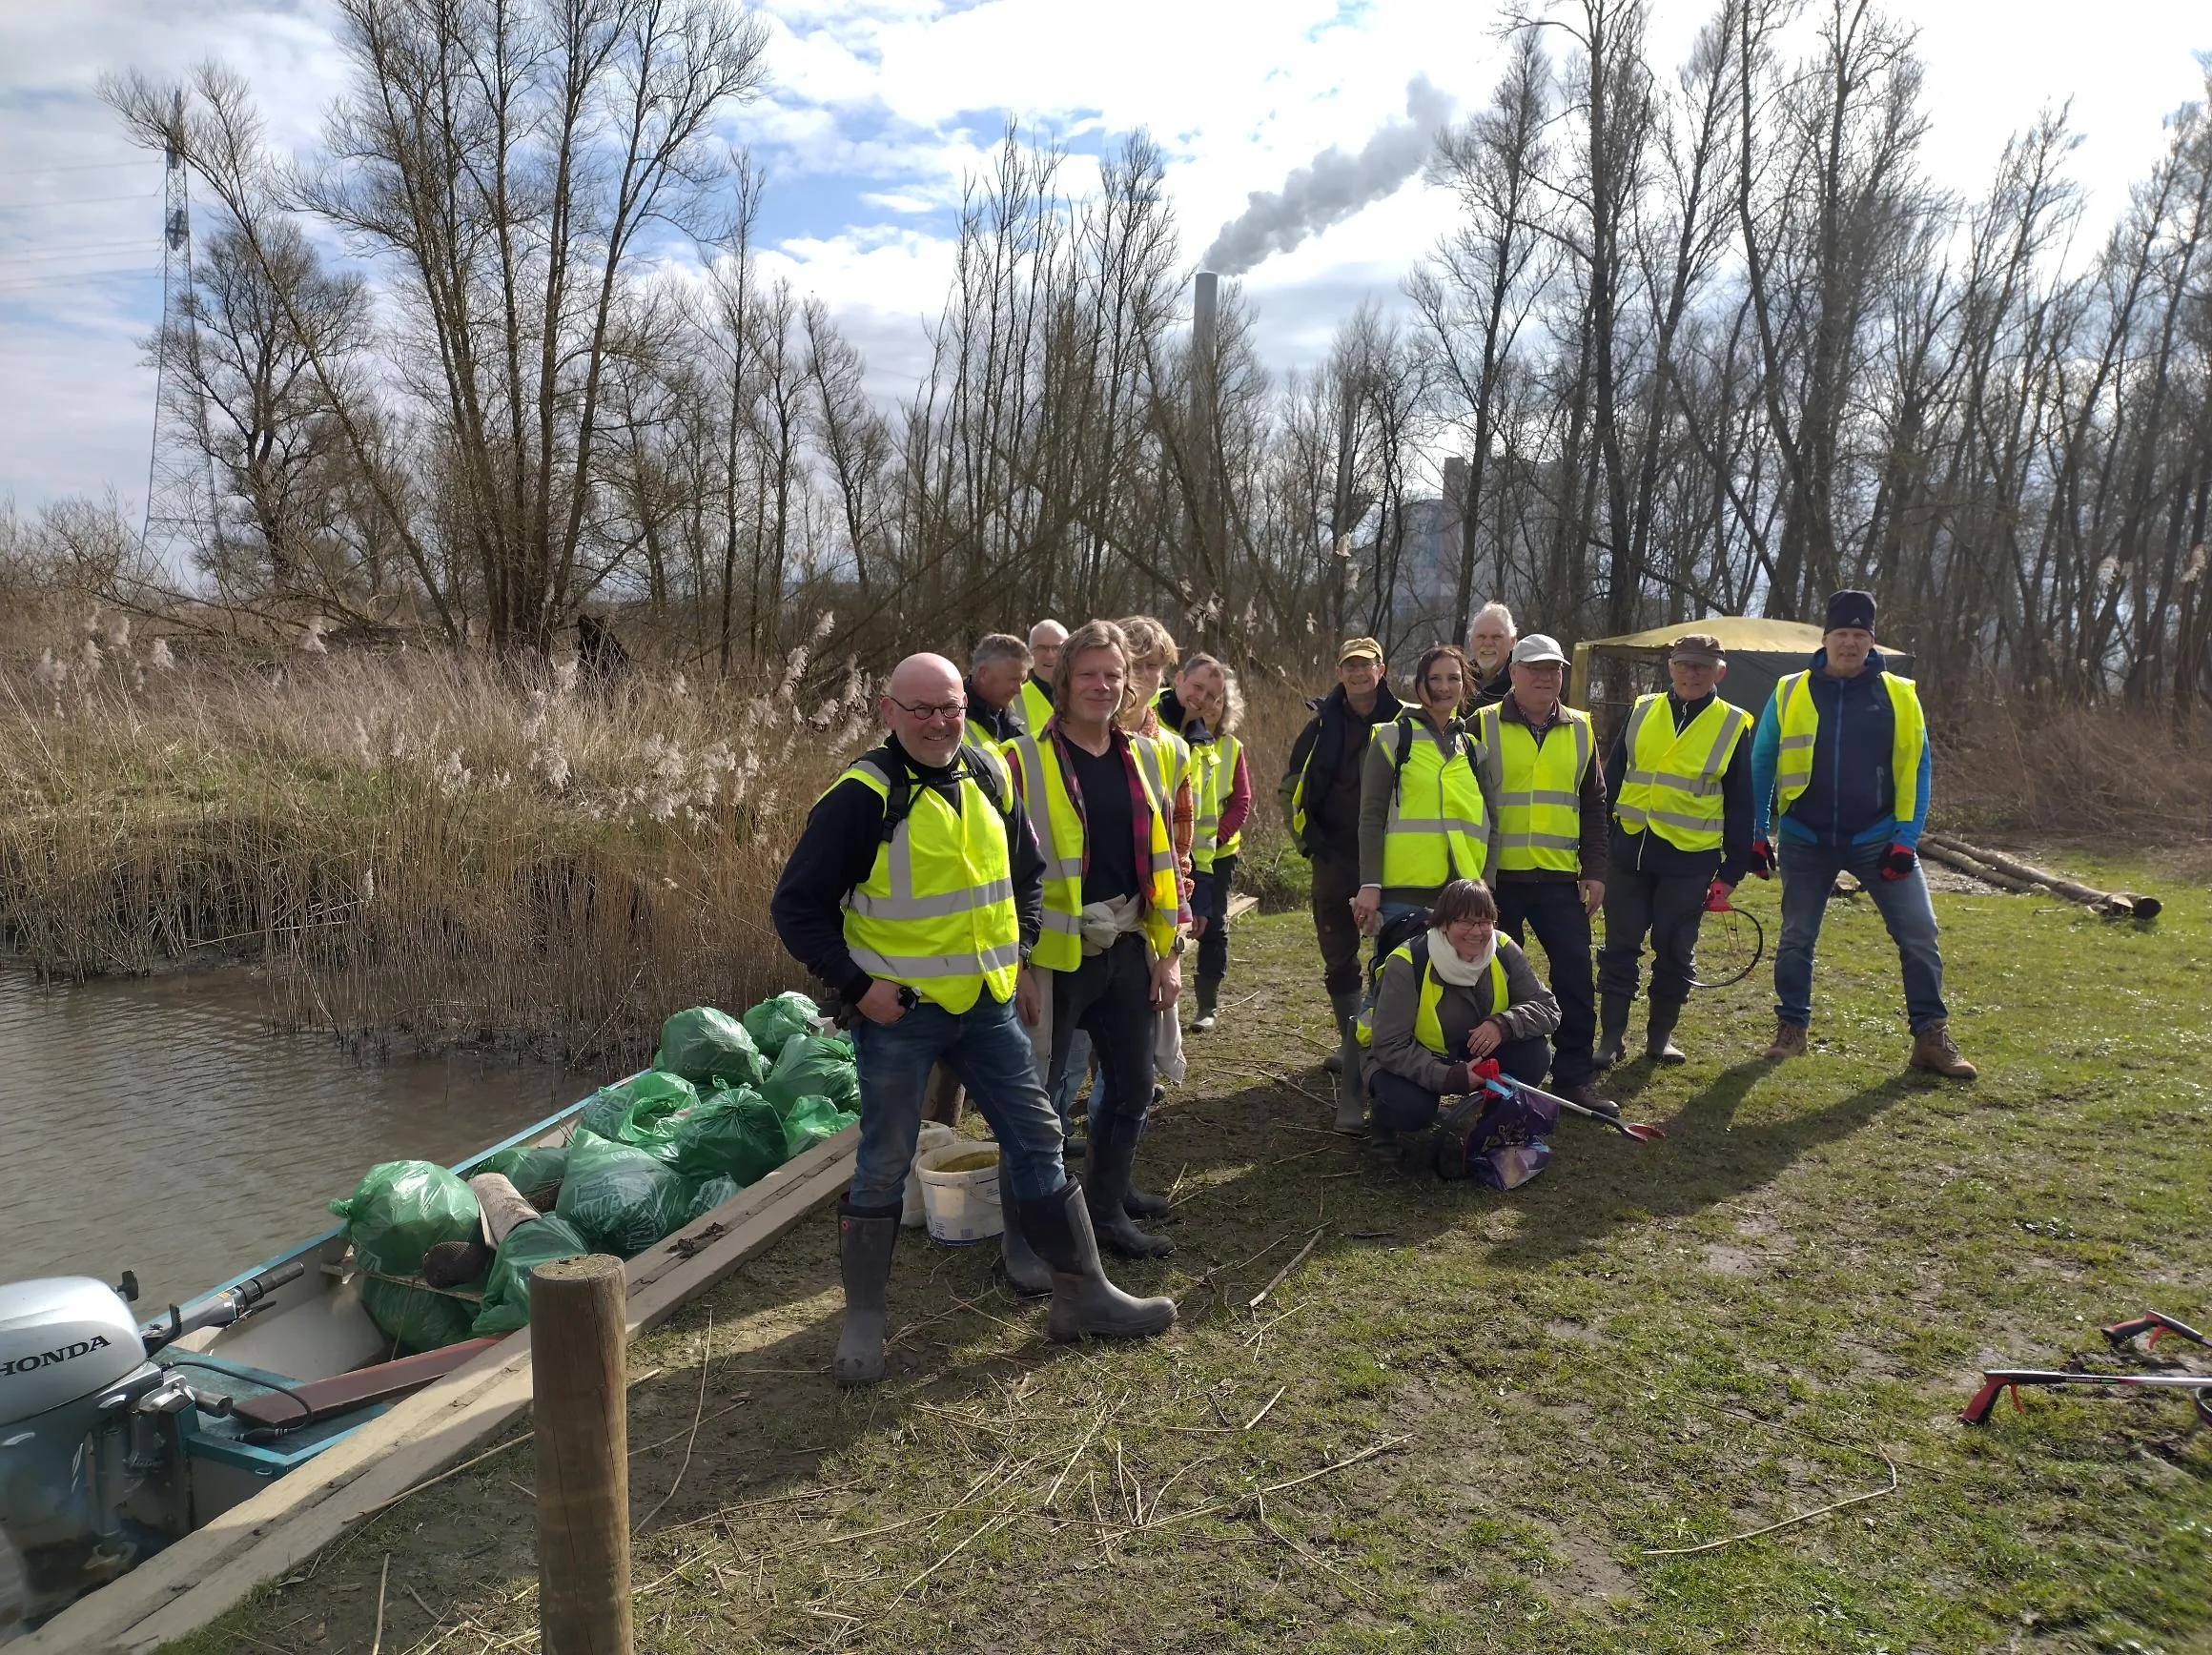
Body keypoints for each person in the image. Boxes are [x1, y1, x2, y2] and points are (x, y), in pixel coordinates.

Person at [769, 653, 1175, 1386]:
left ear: (966, 705)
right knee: (885, 1160)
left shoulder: (988, 775)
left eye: (949, 706)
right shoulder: (862, 796)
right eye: (920, 709)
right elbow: (795, 908)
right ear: (888, 712)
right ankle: (863, 1321)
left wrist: (1016, 954)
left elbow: (1026, 876)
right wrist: (859, 986)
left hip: (987, 1009)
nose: (937, 722)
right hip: (900, 1017)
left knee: (1038, 1136)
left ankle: (1083, 1295)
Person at [1003, 621, 1187, 1258]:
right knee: (1038, 1101)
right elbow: (1001, 874)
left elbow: (1166, 862)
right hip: (1054, 959)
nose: (1102, 686)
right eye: (1089, 675)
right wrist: (1017, 966)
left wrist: (1170, 953)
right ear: (1063, 684)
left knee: (1133, 1086)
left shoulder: (1145, 756)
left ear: (1129, 684)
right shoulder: (1021, 762)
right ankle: (1029, 1238)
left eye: (1114, 675)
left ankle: (1105, 1210)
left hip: (1129, 948)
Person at [1749, 590, 1975, 1076]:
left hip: (1878, 838)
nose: (1849, 644)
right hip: (1805, 837)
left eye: (1859, 635)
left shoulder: (1900, 694)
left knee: (1919, 934)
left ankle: (1931, 1037)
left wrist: (1905, 840)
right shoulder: (1790, 690)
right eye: (1841, 634)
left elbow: (1918, 770)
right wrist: (1755, 830)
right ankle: (1791, 1030)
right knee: (1795, 939)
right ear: (1825, 638)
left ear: (1872, 641)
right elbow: (1763, 761)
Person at [1595, 631, 1754, 1066]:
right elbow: (1611, 780)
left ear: (1719, 672)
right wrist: (1600, 846)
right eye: (1683, 664)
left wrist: (1732, 871)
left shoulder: (1732, 723)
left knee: (1676, 950)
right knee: (1619, 949)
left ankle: (1658, 1038)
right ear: (1670, 667)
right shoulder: (1642, 710)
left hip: (1689, 861)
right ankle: (1610, 1040)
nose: (1691, 673)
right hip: (1628, 853)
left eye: (1701, 666)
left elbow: (1742, 801)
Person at [1473, 634, 1615, 1115]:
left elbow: (1594, 804)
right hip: (1499, 883)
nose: (1544, 677)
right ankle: (1496, 1074)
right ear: (1512, 673)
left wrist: (1595, 871)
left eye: (1553, 669)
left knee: (1576, 976)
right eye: (1533, 668)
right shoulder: (1483, 724)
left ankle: (1575, 1077)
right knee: (1494, 981)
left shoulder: (1580, 729)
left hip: (1559, 881)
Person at [1280, 638, 1403, 1123]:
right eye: (1350, 666)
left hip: (1392, 857)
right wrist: (1306, 842)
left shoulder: (1403, 722)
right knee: (1338, 953)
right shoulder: (1320, 726)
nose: (1358, 674)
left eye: (1366, 665)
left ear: (1382, 669)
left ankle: (1388, 1045)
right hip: (1331, 856)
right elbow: (1291, 786)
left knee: (1393, 952)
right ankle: (1351, 1040)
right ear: (1340, 672)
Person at [1361, 877, 1560, 1148]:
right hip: (1410, 1057)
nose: (1476, 932)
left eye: (1484, 922)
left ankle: (1490, 1119)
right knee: (1407, 1108)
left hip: (1470, 1051)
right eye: (1465, 921)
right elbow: (1389, 1045)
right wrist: (1448, 1077)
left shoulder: (1502, 948)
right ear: (1443, 923)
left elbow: (1548, 1007)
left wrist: (1503, 1024)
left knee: (1535, 1053)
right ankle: (1384, 1125)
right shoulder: (1406, 962)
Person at [1162, 654, 1251, 1034]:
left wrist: (1218, 837)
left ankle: (1207, 1005)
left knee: (1212, 926)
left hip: (1214, 853)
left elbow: (1240, 802)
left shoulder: (1228, 747)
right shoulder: (1163, 726)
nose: (1205, 703)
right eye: (1198, 690)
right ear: (1180, 680)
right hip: (1178, 851)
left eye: (1214, 698)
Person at [965, 632, 1033, 745]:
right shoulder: (950, 718)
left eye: (1022, 681)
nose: (1018, 690)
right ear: (984, 674)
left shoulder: (1012, 724)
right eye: (1013, 680)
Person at [1464, 601, 1516, 711]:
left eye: (1496, 637)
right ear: (1471, 641)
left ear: (1512, 642)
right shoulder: (1458, 678)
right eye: (1481, 636)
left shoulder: (1523, 681)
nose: (1488, 643)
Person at [1020, 619, 1067, 737]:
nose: (1050, 655)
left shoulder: (1085, 696)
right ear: (1029, 653)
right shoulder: (1013, 701)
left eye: (1057, 648)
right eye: (1041, 648)